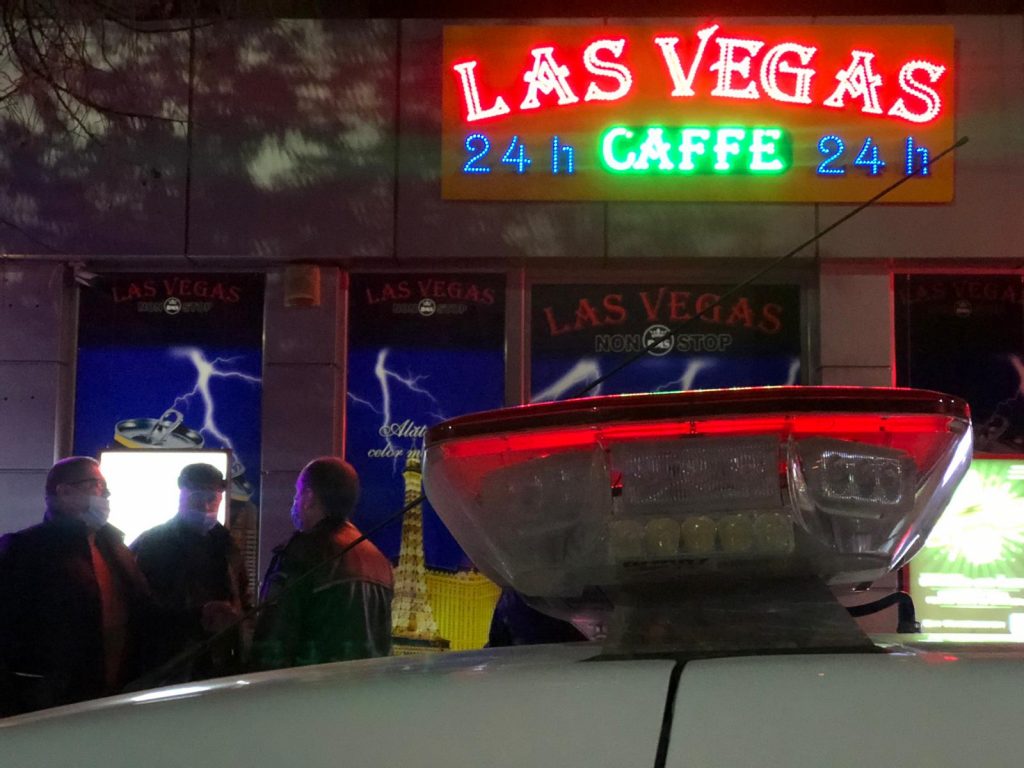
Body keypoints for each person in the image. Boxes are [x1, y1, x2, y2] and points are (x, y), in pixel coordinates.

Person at [0, 457, 157, 714]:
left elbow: (144, 611)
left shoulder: (113, 546)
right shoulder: (25, 550)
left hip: (117, 692)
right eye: (96, 485)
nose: (106, 494)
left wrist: (199, 616)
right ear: (64, 492)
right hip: (50, 700)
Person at [251, 457, 394, 668]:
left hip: (308, 686)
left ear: (309, 497)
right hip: (364, 686)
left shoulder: (301, 553)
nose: (295, 502)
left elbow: (272, 644)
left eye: (297, 493)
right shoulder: (379, 561)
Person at [131, 463, 251, 682]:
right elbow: (140, 609)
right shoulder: (154, 543)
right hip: (172, 662)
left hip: (222, 660)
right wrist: (197, 617)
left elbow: (242, 595)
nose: (205, 506)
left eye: (212, 498)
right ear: (182, 494)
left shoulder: (225, 544)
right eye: (197, 497)